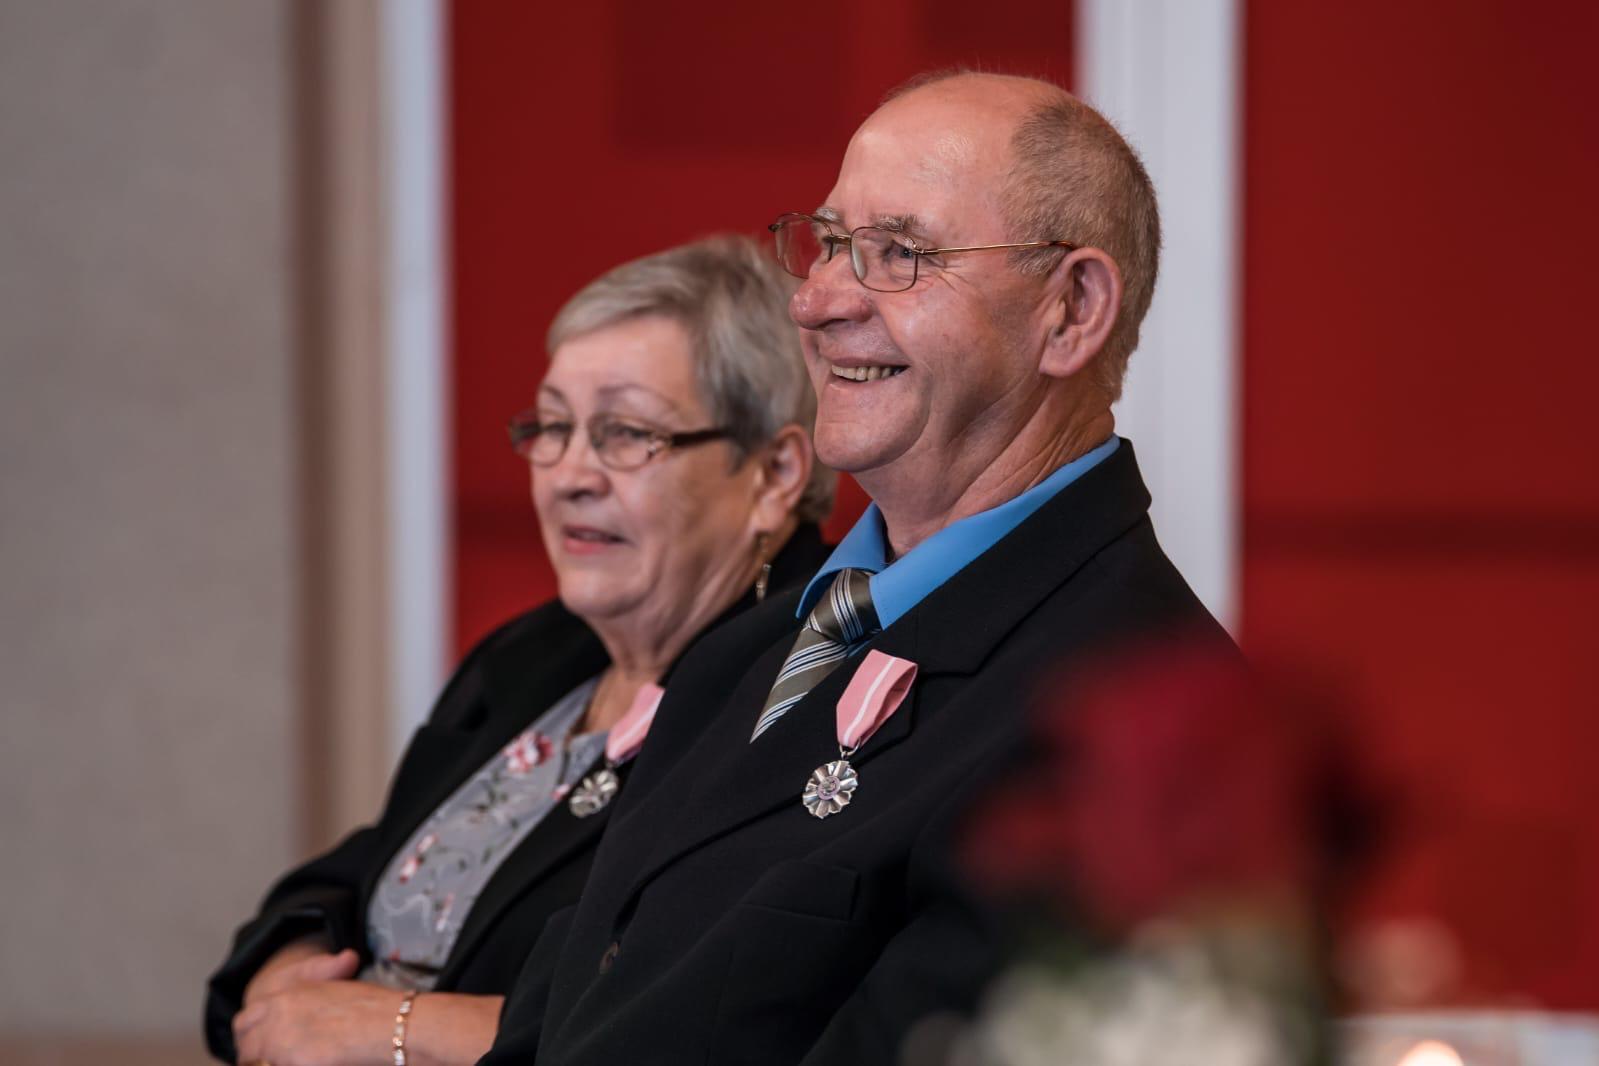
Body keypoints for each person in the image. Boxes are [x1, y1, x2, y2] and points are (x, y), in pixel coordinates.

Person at [479, 71, 1230, 1065]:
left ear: (1071, 309)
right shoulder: (746, 647)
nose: (815, 299)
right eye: (831, 242)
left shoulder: (1139, 723)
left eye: (899, 254)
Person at [203, 235, 834, 1066]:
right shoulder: (536, 654)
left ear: (774, 473)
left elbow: (695, 1016)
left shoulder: (802, 690)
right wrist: (291, 972)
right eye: (553, 427)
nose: (569, 475)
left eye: (625, 433)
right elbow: (367, 864)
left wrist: (393, 1028)